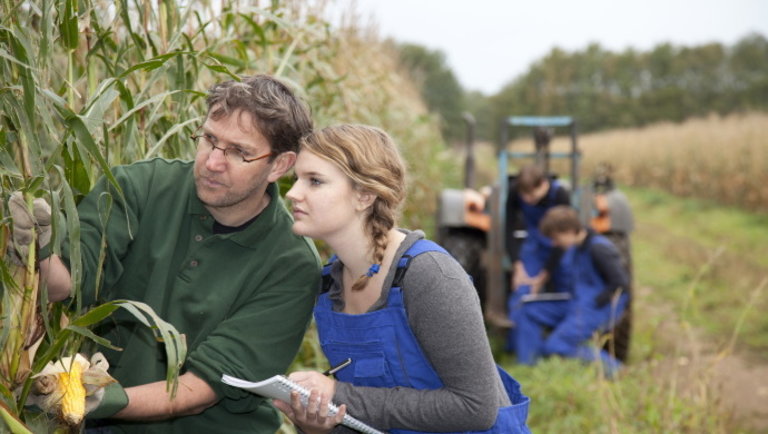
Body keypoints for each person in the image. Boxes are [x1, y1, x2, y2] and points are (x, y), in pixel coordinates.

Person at [34, 75, 321, 432]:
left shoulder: (292, 263)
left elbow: (200, 389)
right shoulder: (137, 187)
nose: (213, 162)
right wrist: (38, 245)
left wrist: (102, 399)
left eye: (239, 152)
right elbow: (66, 286)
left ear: (279, 165)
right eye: (209, 140)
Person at [276, 124, 531, 434]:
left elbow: (475, 408)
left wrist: (339, 395)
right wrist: (323, 424)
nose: (292, 193)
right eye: (297, 179)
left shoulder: (429, 276)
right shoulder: (330, 285)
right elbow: (379, 414)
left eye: (314, 181)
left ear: (365, 195)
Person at [513, 206, 629, 373]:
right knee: (528, 310)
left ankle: (616, 370)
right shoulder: (575, 248)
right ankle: (529, 366)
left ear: (568, 231)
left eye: (555, 238)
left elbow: (621, 283)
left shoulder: (599, 248)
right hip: (577, 301)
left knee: (557, 344)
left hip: (598, 307)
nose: (554, 243)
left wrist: (596, 302)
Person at [505, 164, 573, 350]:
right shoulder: (514, 191)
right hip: (534, 244)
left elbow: (565, 238)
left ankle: (563, 342)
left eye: (532, 196)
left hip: (560, 246)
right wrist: (517, 265)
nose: (528, 200)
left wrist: (544, 275)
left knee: (567, 288)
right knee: (522, 288)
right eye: (524, 197)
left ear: (543, 185)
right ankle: (519, 348)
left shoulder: (560, 194)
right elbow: (508, 228)